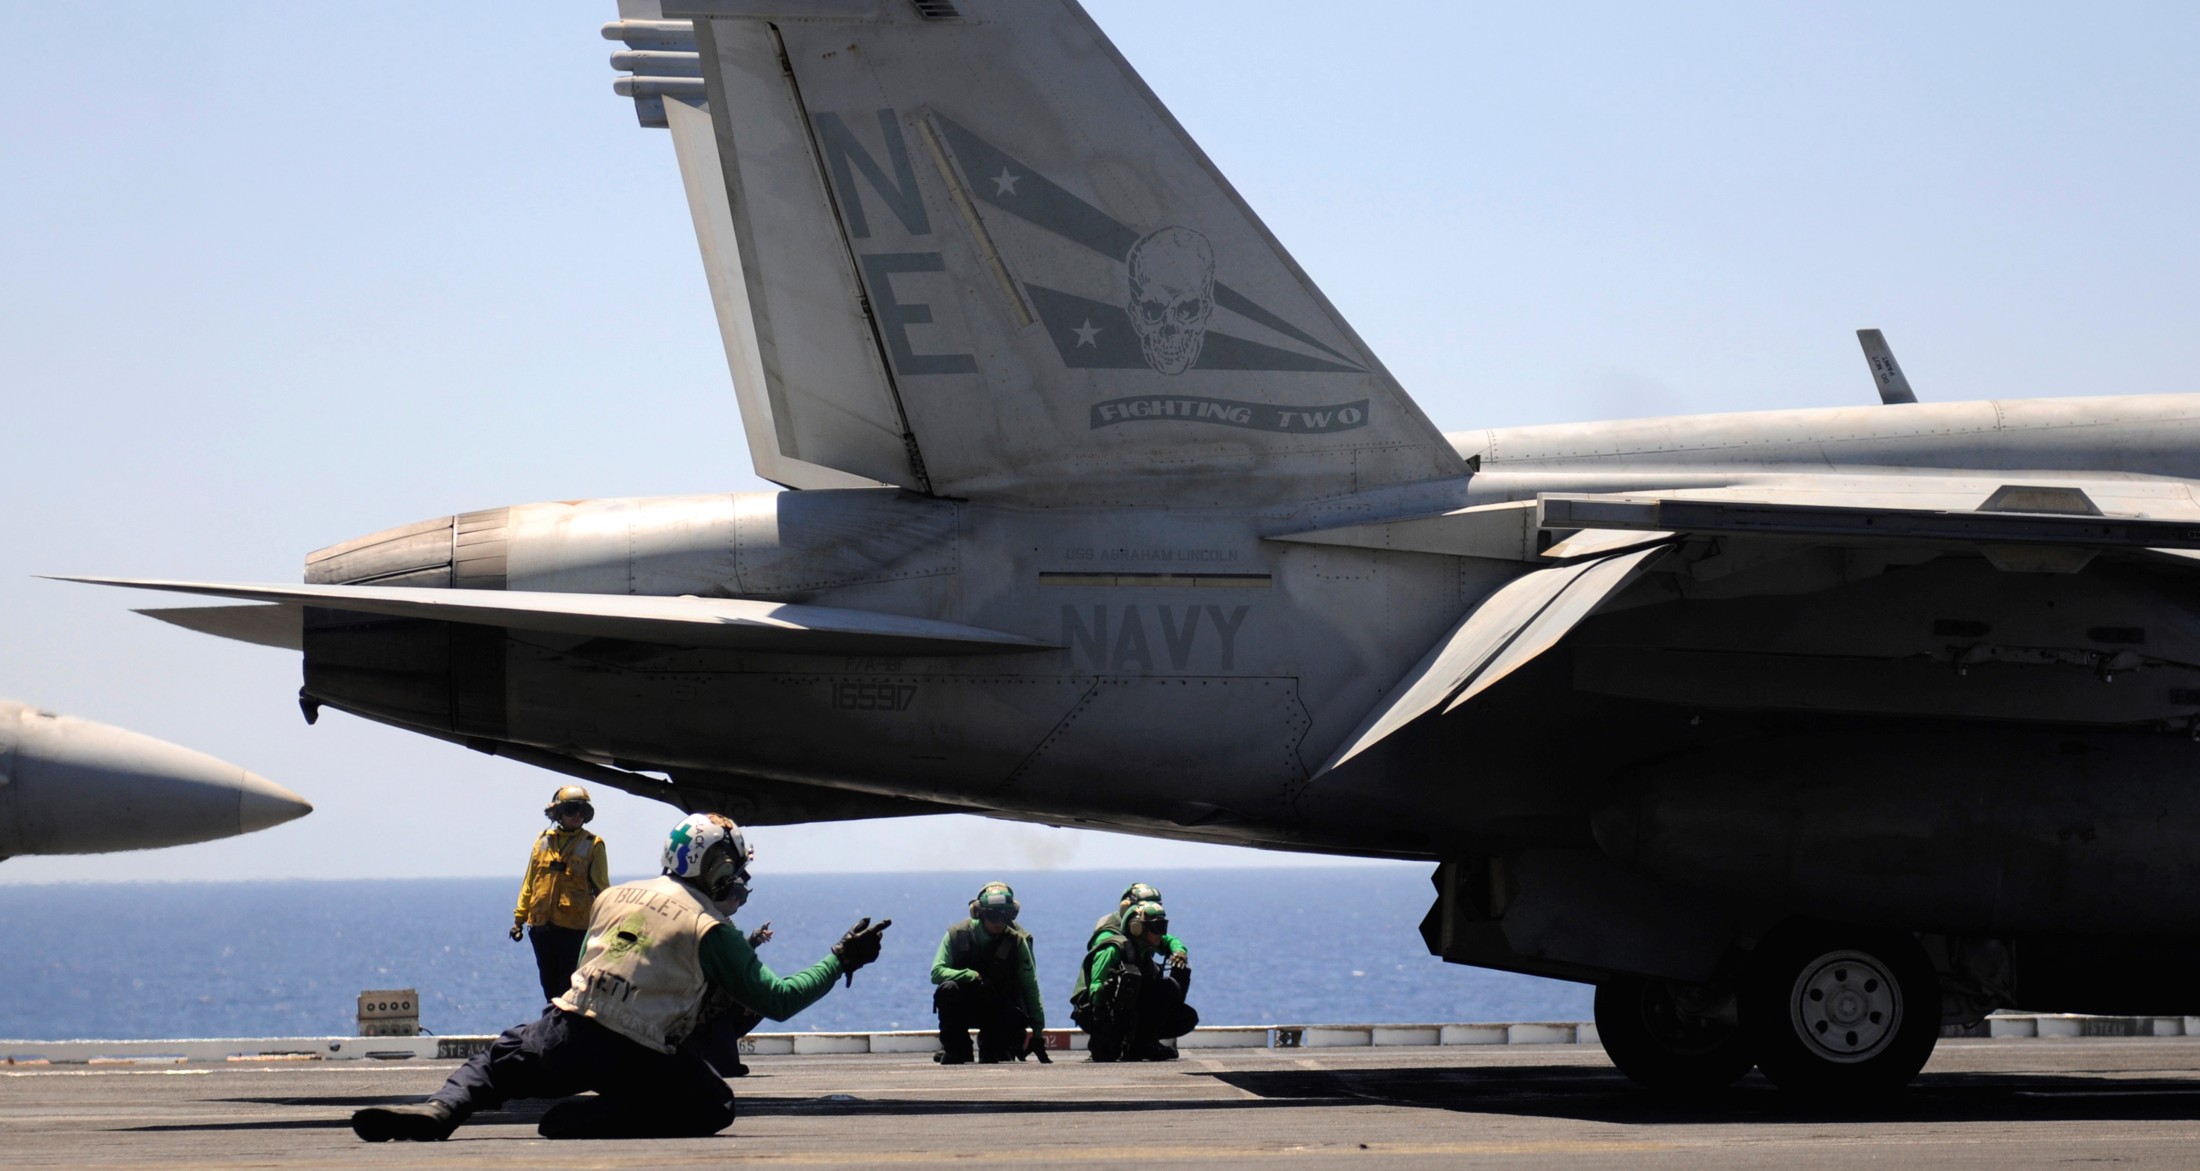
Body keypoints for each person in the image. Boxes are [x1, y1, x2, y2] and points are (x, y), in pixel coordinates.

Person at [353, 812, 889, 1142]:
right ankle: (589, 1118)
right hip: (637, 1053)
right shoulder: (710, 926)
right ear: (718, 867)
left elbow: (588, 963)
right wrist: (840, 959)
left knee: (499, 1058)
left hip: (564, 1030)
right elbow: (777, 999)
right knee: (714, 1103)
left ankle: (440, 1110)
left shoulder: (613, 896)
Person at [510, 785, 611, 1003]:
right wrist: (519, 919)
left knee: (569, 987)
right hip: (541, 928)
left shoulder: (593, 845)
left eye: (581, 811)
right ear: (558, 813)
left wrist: (609, 925)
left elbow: (602, 889)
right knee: (549, 985)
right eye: (571, 809)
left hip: (574, 930)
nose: (577, 816)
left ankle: (565, 1028)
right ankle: (554, 1026)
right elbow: (530, 881)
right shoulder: (543, 841)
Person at [930, 881, 1047, 1064]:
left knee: (997, 1052)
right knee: (948, 989)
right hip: (964, 1007)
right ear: (980, 913)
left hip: (997, 1010)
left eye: (1005, 915)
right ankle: (958, 1048)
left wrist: (1038, 1034)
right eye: (993, 915)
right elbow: (936, 973)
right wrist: (969, 975)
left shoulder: (1017, 942)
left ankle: (995, 1046)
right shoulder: (956, 934)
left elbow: (1030, 987)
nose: (999, 921)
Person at [1071, 898, 1196, 1062]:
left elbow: (1170, 941)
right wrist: (1103, 1005)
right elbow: (1096, 985)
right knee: (1129, 979)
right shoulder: (1113, 948)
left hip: (1127, 1009)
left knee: (1181, 1009)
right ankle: (1114, 1042)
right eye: (1157, 928)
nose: (1162, 933)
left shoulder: (1144, 946)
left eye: (1163, 927)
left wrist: (1179, 951)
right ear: (1137, 928)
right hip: (1096, 1012)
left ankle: (1141, 1045)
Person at [1087, 881, 1162, 950]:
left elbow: (1165, 940)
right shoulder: (1109, 939)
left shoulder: (1143, 931)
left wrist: (1174, 949)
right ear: (1127, 908)